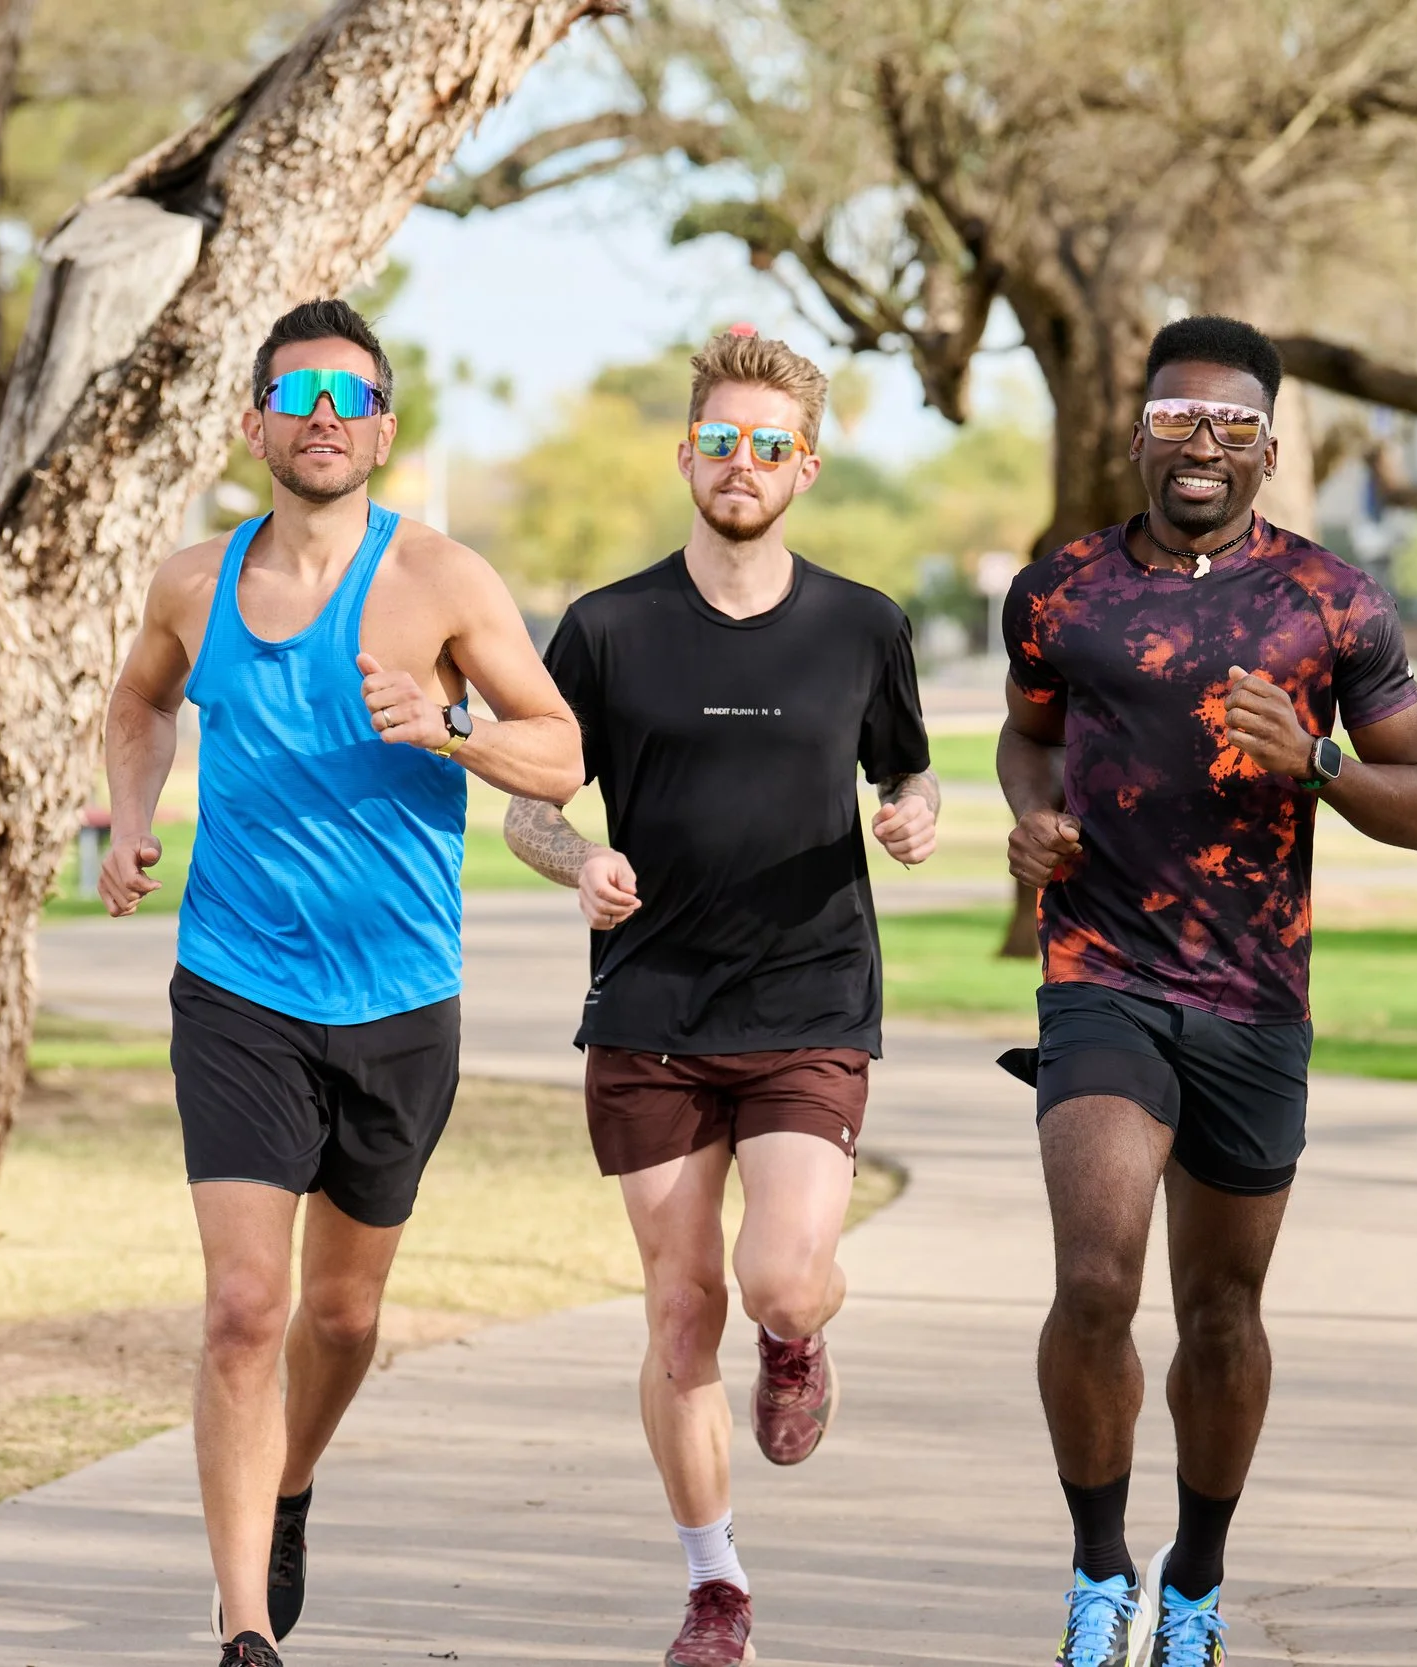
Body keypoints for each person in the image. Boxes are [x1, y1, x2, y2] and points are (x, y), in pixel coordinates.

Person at [100, 299, 584, 1667]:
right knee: (246, 1305)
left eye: (351, 395)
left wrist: (449, 726)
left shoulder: (442, 578)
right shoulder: (192, 582)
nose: (324, 414)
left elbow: (561, 751)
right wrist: (132, 812)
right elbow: (138, 699)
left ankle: (292, 1473)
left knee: (343, 1311)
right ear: (254, 421)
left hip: (399, 999)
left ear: (382, 426)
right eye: (297, 392)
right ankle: (245, 1617)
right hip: (237, 985)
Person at [997, 315, 1417, 1667]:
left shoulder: (1335, 600)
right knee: (1095, 1274)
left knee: (1220, 1311)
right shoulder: (1058, 592)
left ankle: (1193, 1576)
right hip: (1102, 972)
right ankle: (1098, 1566)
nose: (1201, 443)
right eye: (1175, 418)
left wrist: (1315, 757)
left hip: (1255, 992)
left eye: (1230, 424)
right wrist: (1032, 824)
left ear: (1269, 445)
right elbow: (1028, 742)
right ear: (1137, 432)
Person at [502, 327, 938, 1667]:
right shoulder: (608, 626)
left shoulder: (864, 625)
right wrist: (582, 859)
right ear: (685, 453)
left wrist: (914, 815)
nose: (739, 465)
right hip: (651, 1008)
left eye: (767, 446)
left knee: (780, 1273)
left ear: (803, 466)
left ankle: (797, 1336)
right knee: (680, 1303)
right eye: (718, 442)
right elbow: (529, 801)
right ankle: (716, 1583)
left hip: (808, 995)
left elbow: (909, 773)